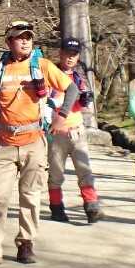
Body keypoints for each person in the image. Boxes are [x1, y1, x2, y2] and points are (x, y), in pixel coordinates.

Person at [0, 20, 70, 266]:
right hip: (5, 143)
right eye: (20, 37)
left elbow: (72, 89)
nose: (25, 41)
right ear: (8, 41)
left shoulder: (42, 65)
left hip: (34, 141)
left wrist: (62, 116)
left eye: (28, 37)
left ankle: (26, 243)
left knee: (30, 196)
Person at [46, 36, 103, 224]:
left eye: (74, 54)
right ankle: (56, 208)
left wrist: (85, 99)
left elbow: (83, 103)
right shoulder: (50, 75)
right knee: (56, 174)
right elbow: (45, 101)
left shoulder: (80, 77)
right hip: (56, 133)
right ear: (60, 53)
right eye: (67, 53)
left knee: (84, 170)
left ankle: (92, 206)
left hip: (77, 131)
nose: (70, 57)